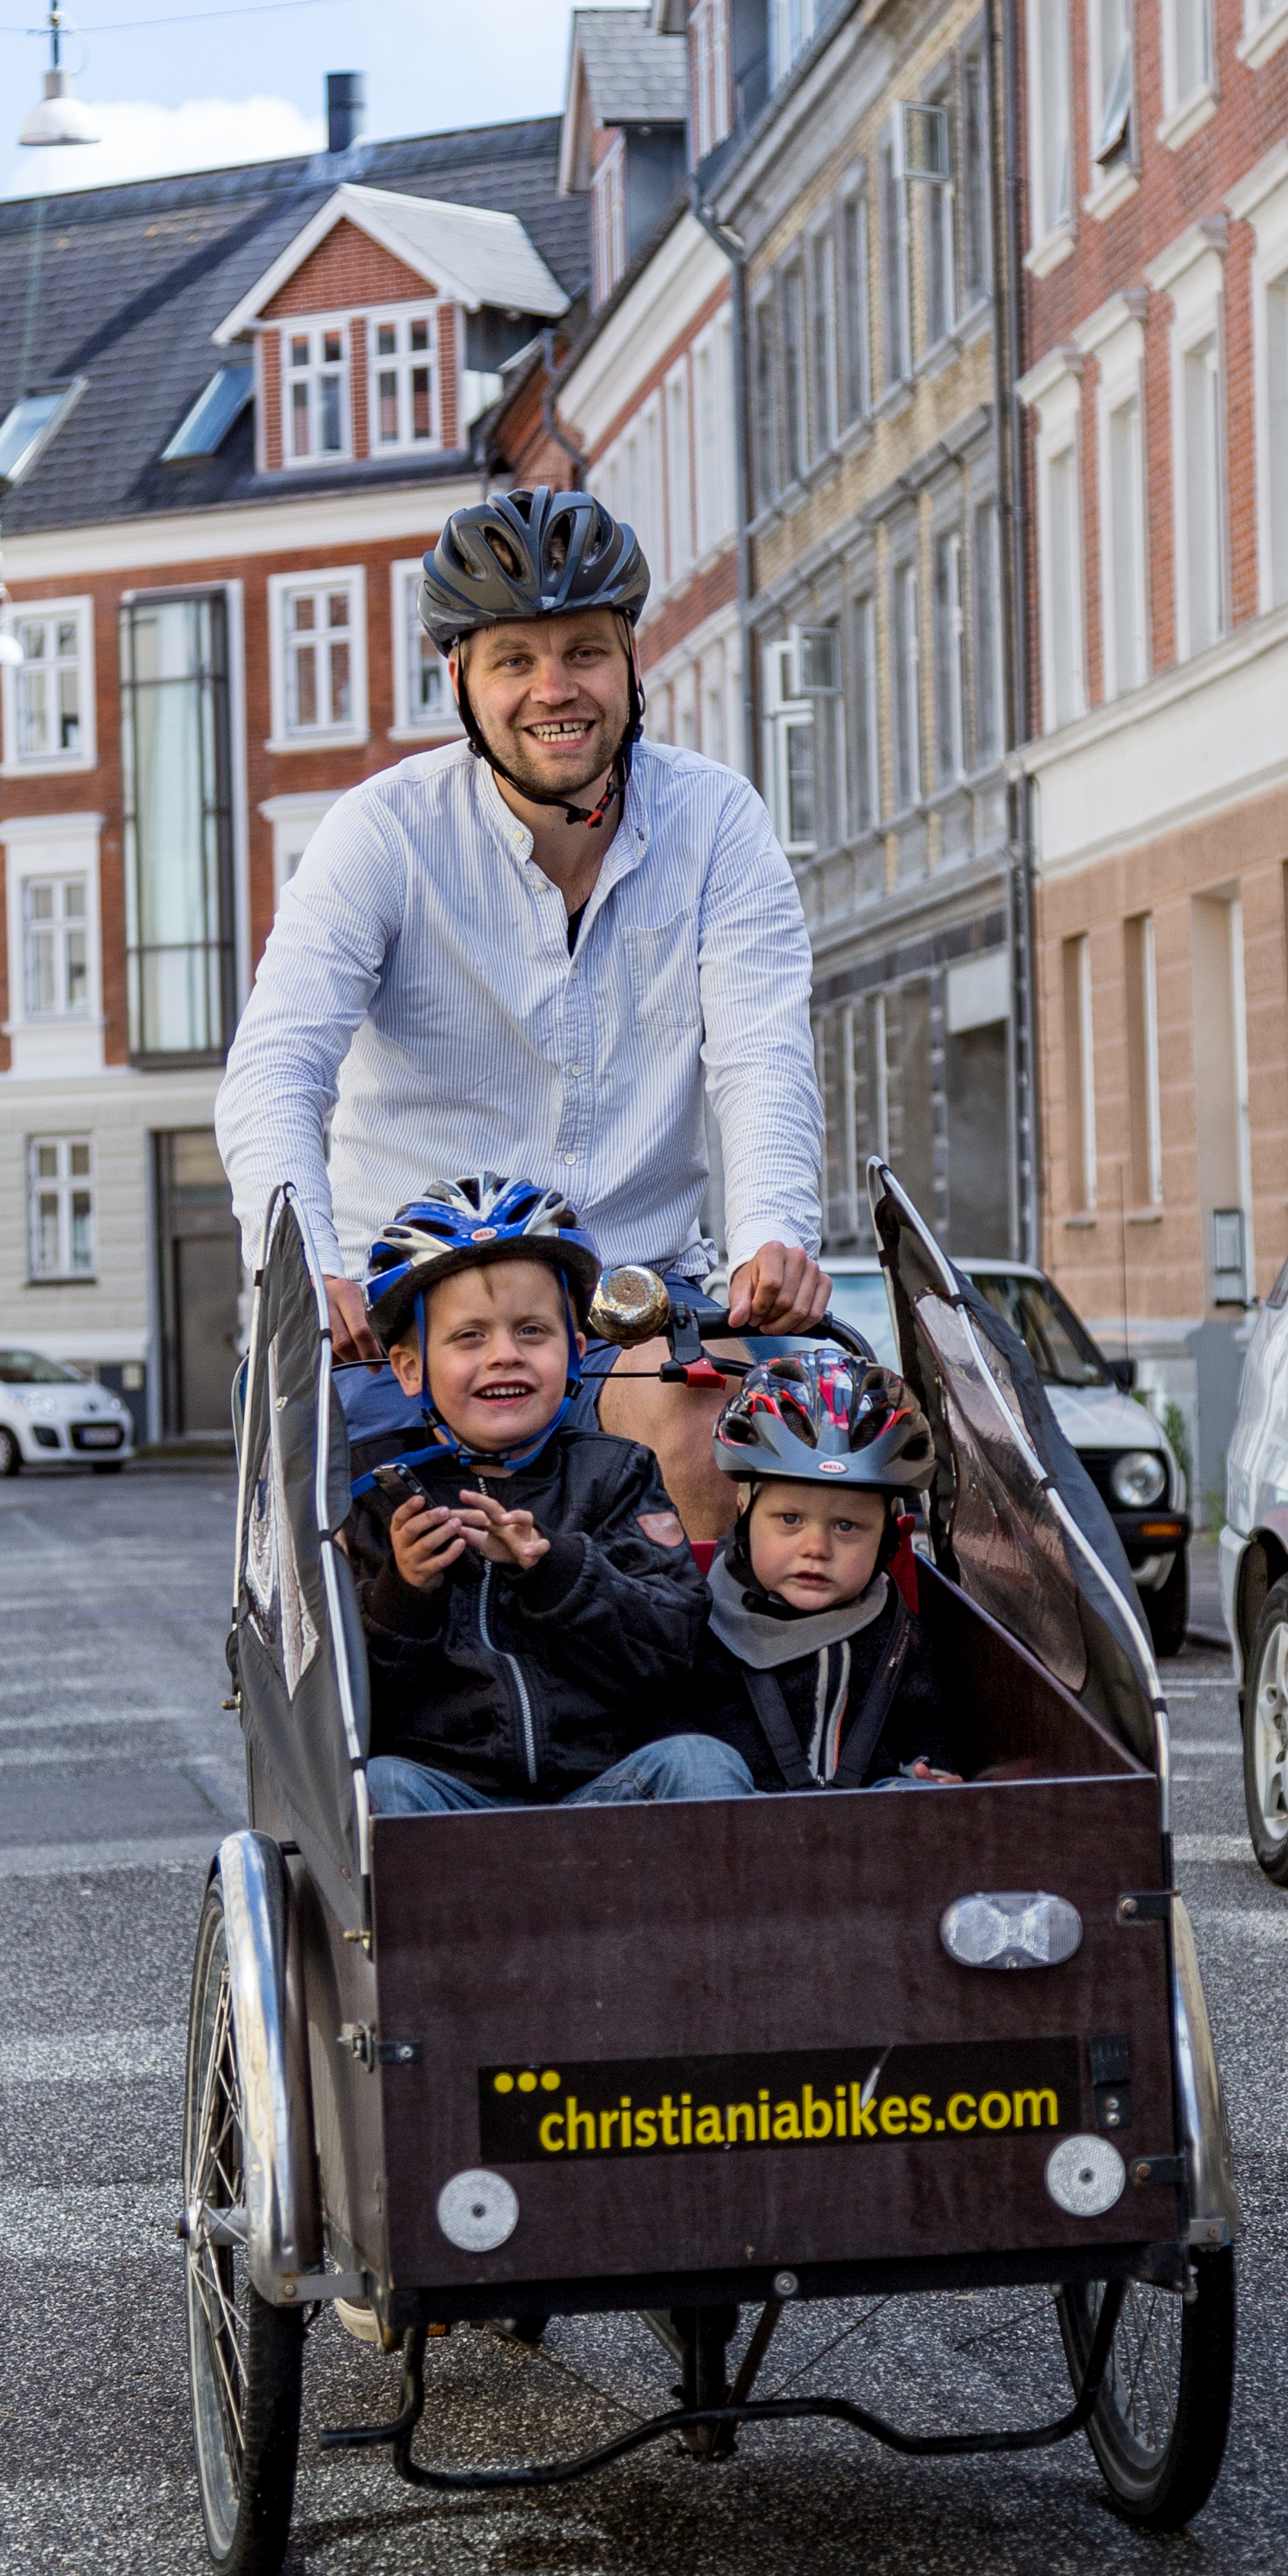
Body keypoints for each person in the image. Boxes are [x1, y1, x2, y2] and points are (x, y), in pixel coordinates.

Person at [214, 484, 830, 1540]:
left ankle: (701, 1650)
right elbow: (277, 1065)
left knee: (732, 1437)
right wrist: (306, 1269)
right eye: (514, 661)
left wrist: (773, 1234)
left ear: (630, 660)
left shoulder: (715, 818)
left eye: (585, 652)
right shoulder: (383, 833)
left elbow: (760, 1051)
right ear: (461, 680)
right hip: (416, 1310)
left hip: (634, 1298)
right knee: (362, 1529)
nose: (556, 689)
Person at [344, 1176, 754, 1815]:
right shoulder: (380, 1493)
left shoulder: (616, 1475)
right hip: (451, 1796)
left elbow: (672, 1650)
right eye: (469, 1336)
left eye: (533, 1331)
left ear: (576, 1352)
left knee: (701, 1762)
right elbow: (352, 1707)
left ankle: (727, 1887)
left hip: (605, 1787)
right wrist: (406, 1590)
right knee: (382, 1785)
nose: (505, 1355)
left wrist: (554, 1569)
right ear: (410, 1368)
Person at [690, 1353, 960, 1792]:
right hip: (730, 1822)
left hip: (862, 1821)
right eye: (790, 1519)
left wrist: (930, 1770)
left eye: (847, 1526)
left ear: (886, 1535)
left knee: (920, 1794)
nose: (816, 1549)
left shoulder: (899, 1634)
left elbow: (923, 1730)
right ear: (744, 1511)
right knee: (694, 1762)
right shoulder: (696, 1622)